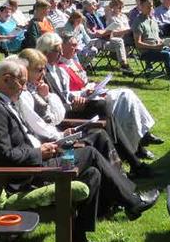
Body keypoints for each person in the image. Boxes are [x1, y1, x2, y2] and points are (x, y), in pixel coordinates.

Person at [0, 58, 158, 242]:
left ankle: (78, 238)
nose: (24, 87)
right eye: (21, 81)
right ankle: (132, 201)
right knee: (89, 153)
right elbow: (4, 156)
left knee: (92, 174)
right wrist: (39, 152)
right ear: (6, 79)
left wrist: (46, 146)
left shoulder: (3, 103)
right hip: (27, 173)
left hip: (37, 161)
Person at [18, 47, 152, 180]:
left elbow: (59, 110)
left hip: (58, 126)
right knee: (101, 117)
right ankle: (125, 174)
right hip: (51, 139)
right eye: (39, 70)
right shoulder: (26, 94)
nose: (43, 73)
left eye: (44, 69)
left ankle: (123, 175)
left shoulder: (42, 83)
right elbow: (40, 124)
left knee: (102, 124)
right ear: (26, 71)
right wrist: (61, 131)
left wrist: (49, 96)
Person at [41, 32, 163, 165]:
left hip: (75, 104)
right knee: (106, 106)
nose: (60, 54)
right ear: (45, 51)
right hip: (64, 116)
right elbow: (50, 107)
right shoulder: (43, 74)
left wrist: (83, 94)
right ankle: (134, 153)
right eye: (57, 51)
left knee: (115, 103)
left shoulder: (58, 70)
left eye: (60, 51)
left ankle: (135, 149)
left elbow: (67, 94)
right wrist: (73, 104)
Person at [133, 0, 170, 90]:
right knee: (167, 55)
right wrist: (154, 46)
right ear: (141, 7)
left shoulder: (153, 20)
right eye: (147, 7)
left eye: (151, 6)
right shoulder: (138, 22)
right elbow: (138, 44)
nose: (150, 8)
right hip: (147, 52)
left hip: (160, 48)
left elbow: (157, 39)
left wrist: (168, 43)